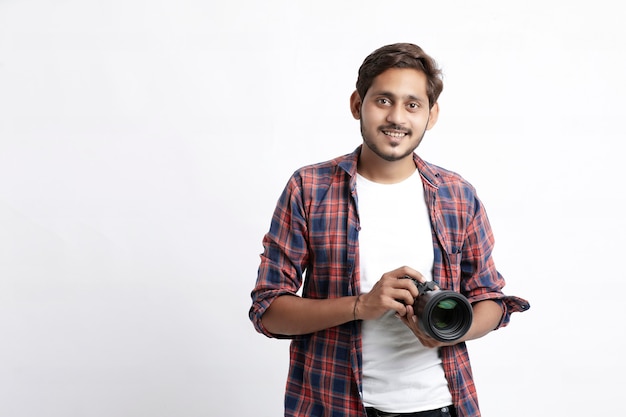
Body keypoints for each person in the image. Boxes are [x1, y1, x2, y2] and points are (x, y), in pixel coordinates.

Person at [249, 42, 530, 417]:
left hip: (440, 405)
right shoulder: (309, 188)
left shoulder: (457, 195)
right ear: (356, 104)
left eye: (413, 104)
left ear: (431, 115)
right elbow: (268, 309)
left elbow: (491, 300)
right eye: (383, 100)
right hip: (333, 404)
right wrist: (360, 306)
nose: (397, 117)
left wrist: (450, 330)